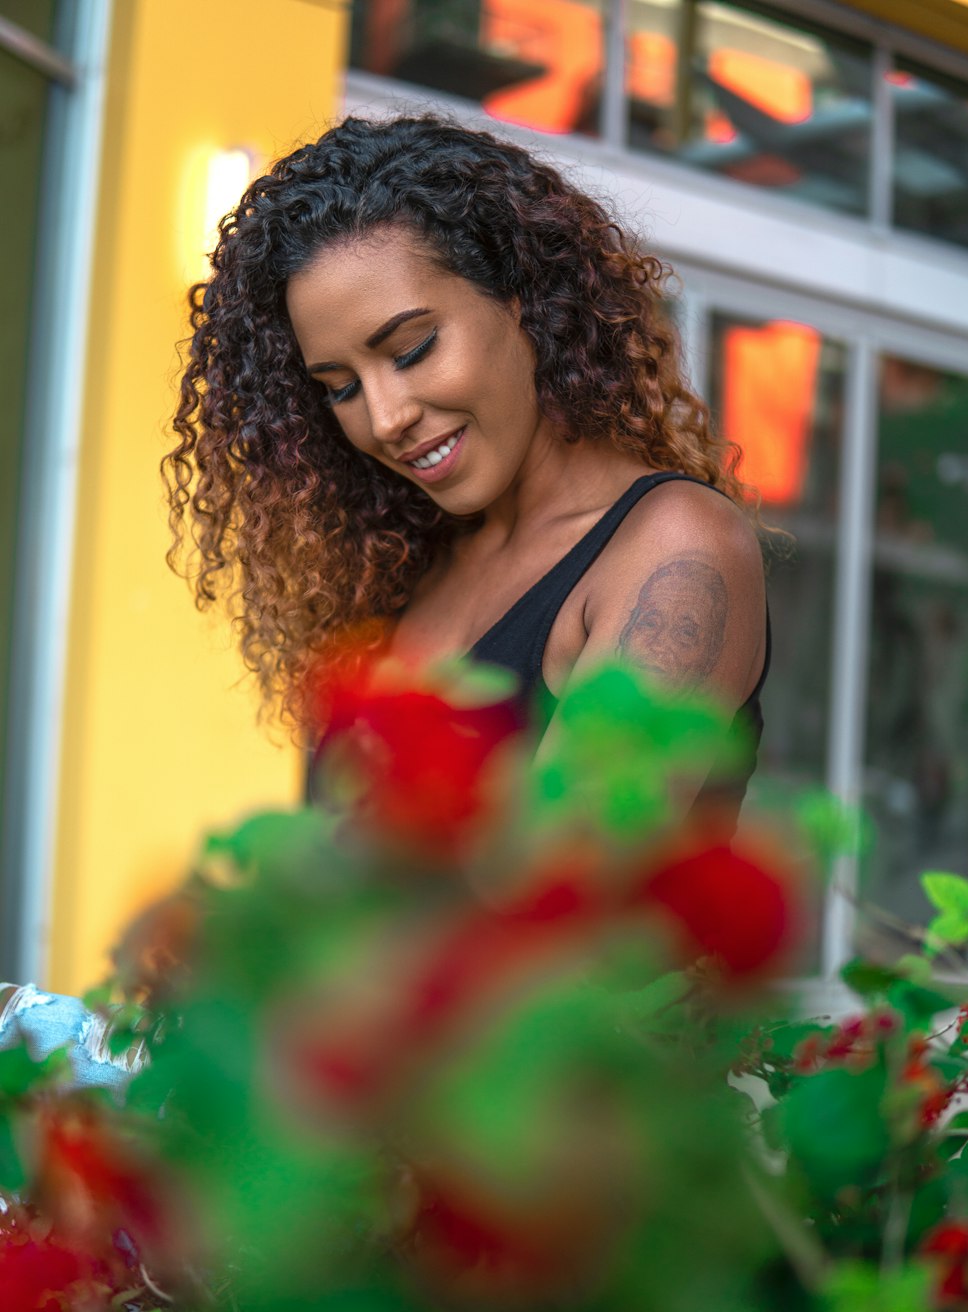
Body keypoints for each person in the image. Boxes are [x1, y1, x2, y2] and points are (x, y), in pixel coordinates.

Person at [164, 113, 769, 831]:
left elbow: (552, 905)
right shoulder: (415, 570)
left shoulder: (675, 548)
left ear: (521, 298)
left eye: (413, 348)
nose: (385, 417)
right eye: (340, 387)